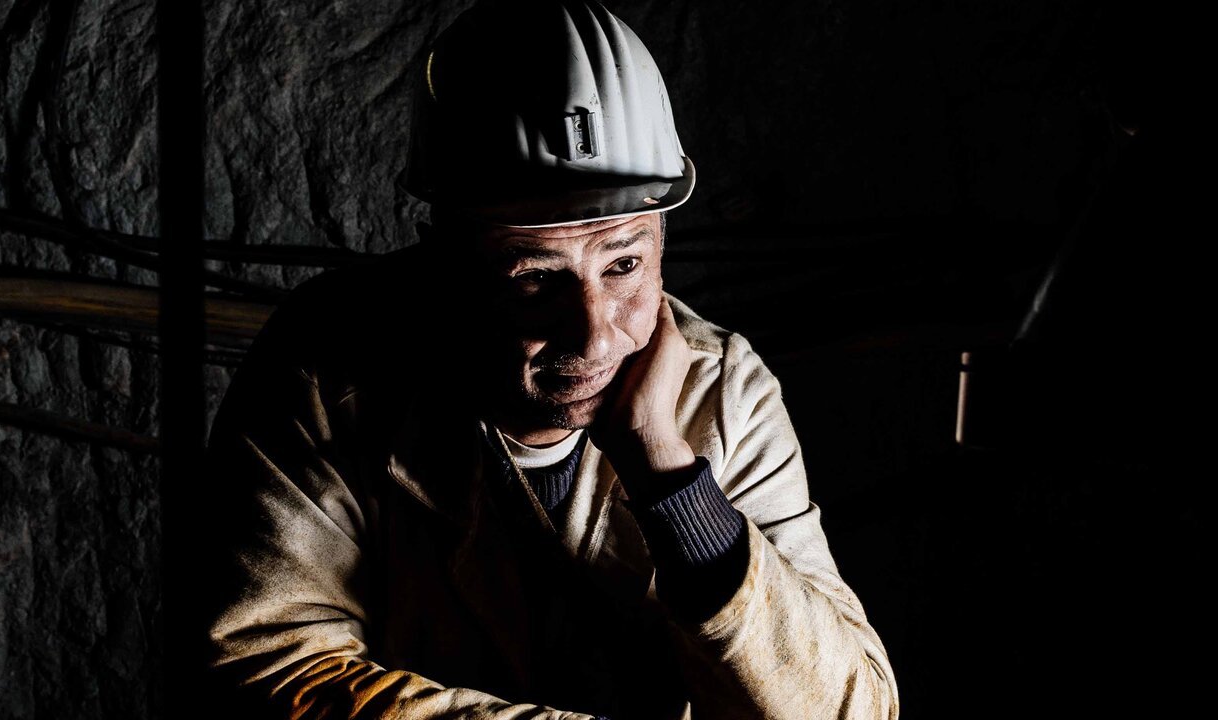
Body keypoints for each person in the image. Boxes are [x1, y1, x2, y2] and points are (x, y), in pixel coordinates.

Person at [188, 1, 899, 718]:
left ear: (660, 237)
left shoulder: (726, 395)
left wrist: (671, 478)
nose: (593, 336)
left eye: (623, 264)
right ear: (446, 263)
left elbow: (850, 708)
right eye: (535, 279)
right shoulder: (326, 372)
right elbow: (262, 670)